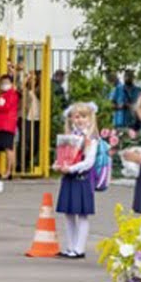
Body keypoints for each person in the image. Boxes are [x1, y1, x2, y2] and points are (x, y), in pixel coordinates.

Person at [53, 102, 101, 259]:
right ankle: (70, 246)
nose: (80, 120)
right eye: (76, 116)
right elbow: (63, 155)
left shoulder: (91, 138)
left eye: (83, 116)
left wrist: (72, 168)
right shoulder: (70, 136)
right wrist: (58, 164)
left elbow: (89, 161)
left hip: (82, 177)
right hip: (69, 176)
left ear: (90, 118)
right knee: (68, 212)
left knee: (82, 214)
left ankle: (79, 249)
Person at [17, 71, 41, 174]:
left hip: (37, 119)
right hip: (26, 118)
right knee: (25, 142)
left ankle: (28, 163)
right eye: (31, 79)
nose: (32, 80)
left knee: (35, 144)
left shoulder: (38, 91)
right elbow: (19, 88)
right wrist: (25, 79)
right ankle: (21, 164)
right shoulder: (25, 90)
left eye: (34, 79)